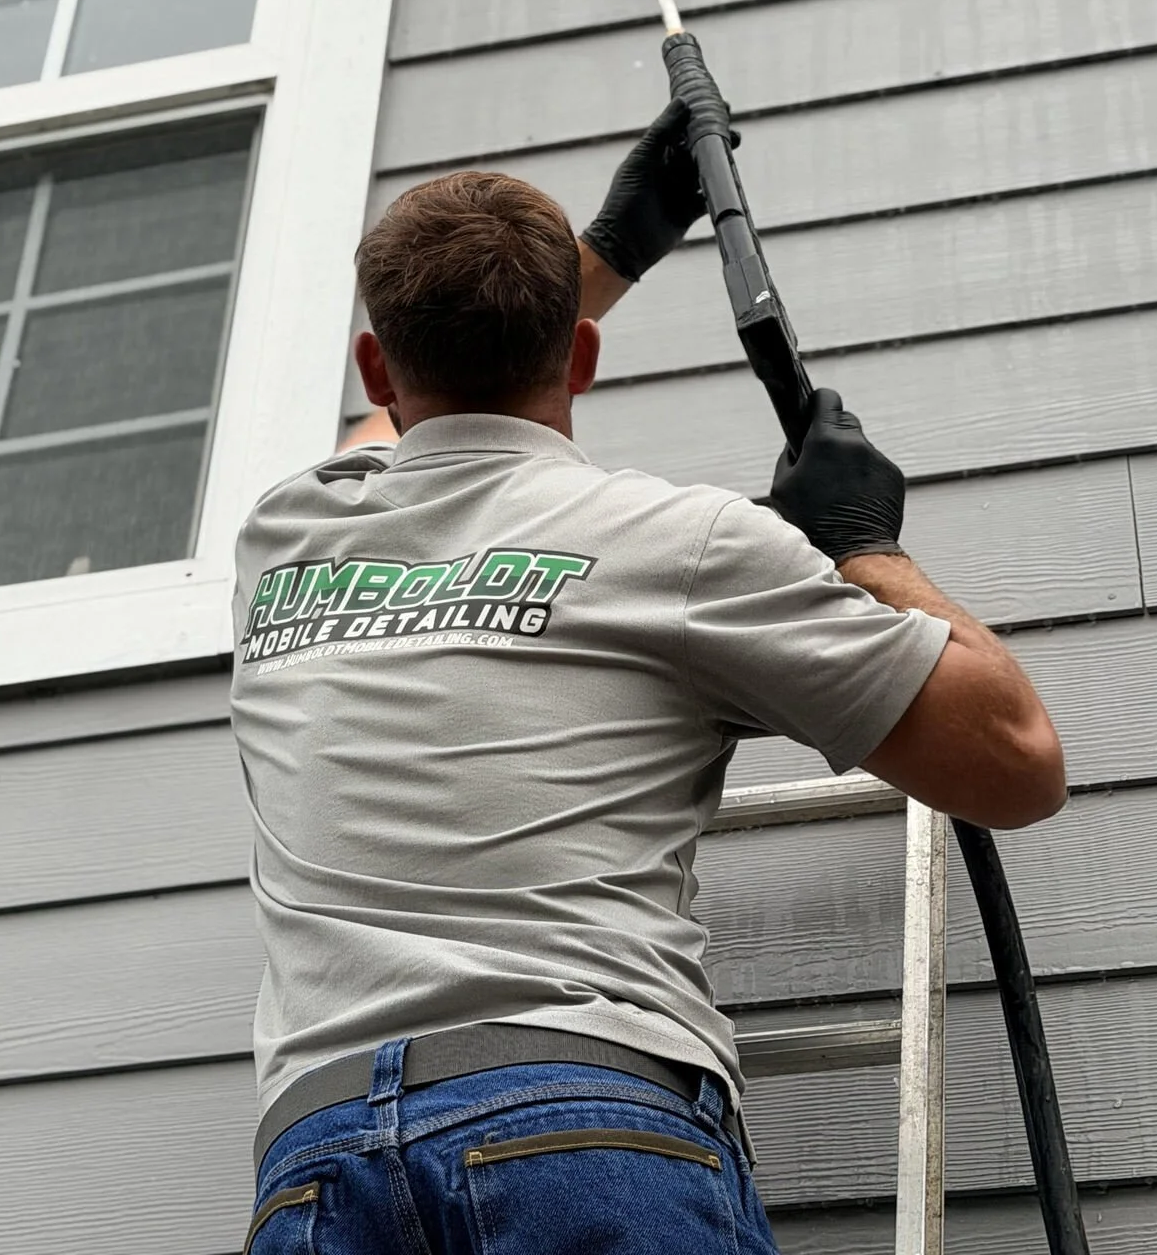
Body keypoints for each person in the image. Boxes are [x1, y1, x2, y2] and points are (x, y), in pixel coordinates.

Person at [230, 97, 1066, 1255]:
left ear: (376, 363)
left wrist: (611, 253)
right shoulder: (683, 547)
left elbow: (395, 431)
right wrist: (866, 546)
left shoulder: (284, 539)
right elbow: (1019, 764)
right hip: (580, 1127)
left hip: (318, 1172)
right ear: (580, 356)